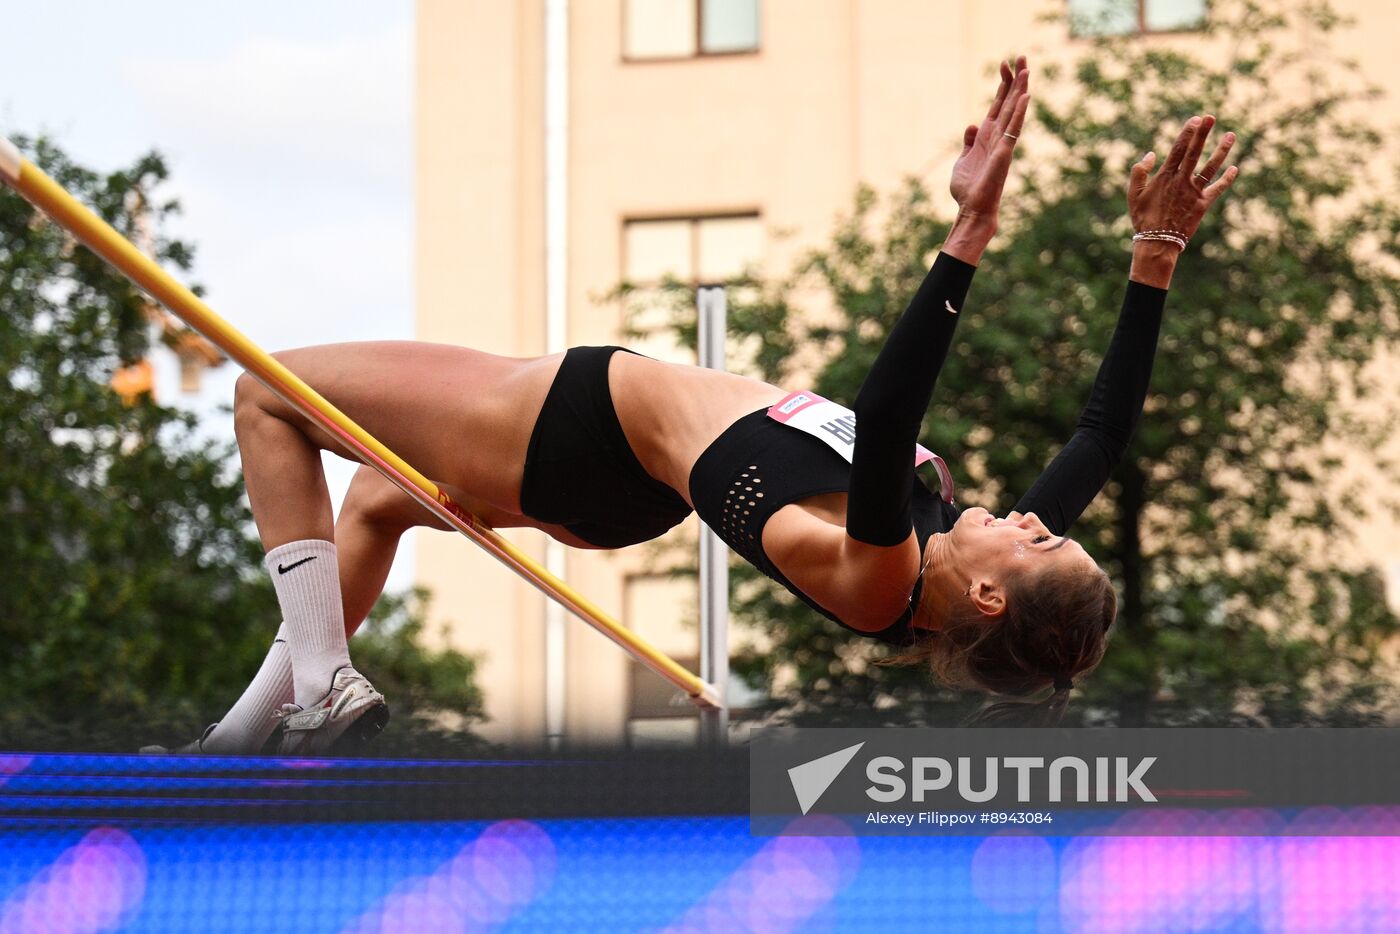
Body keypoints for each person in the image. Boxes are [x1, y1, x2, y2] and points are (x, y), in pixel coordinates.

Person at [144, 56, 1239, 754]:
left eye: (1039, 539)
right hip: (612, 472)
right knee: (380, 501)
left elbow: (888, 414)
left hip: (576, 429)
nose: (1034, 516)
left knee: (267, 391)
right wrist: (1154, 253)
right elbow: (1102, 434)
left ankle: (322, 685)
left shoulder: (883, 578)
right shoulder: (938, 546)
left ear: (991, 595)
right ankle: (236, 744)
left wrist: (969, 234)